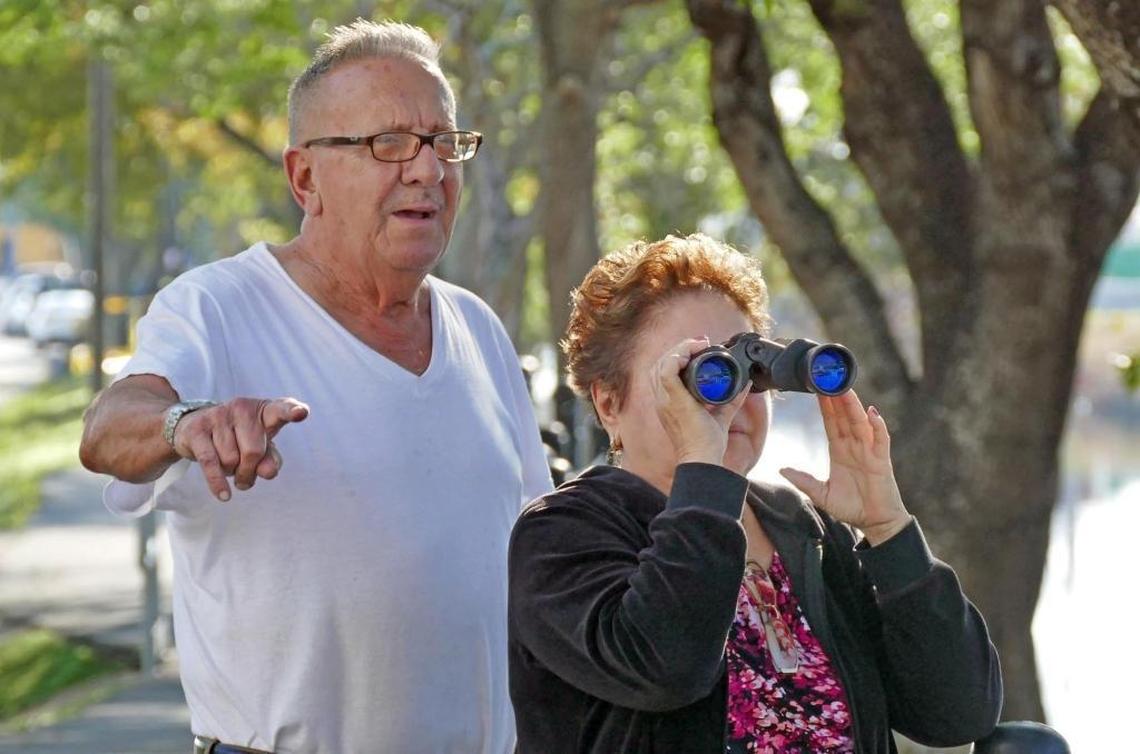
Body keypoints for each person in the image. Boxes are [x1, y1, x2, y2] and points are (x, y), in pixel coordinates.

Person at [79, 19, 552, 754]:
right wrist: (187, 424)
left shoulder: (478, 329)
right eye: (388, 143)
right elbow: (108, 430)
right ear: (306, 178)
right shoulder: (216, 307)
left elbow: (528, 555)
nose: (428, 170)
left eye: (443, 142)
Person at [507, 234, 1002, 753]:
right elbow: (665, 667)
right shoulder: (560, 534)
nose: (732, 402)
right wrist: (703, 468)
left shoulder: (801, 527)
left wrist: (888, 530)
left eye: (751, 372)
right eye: (702, 376)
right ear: (610, 404)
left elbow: (957, 712)